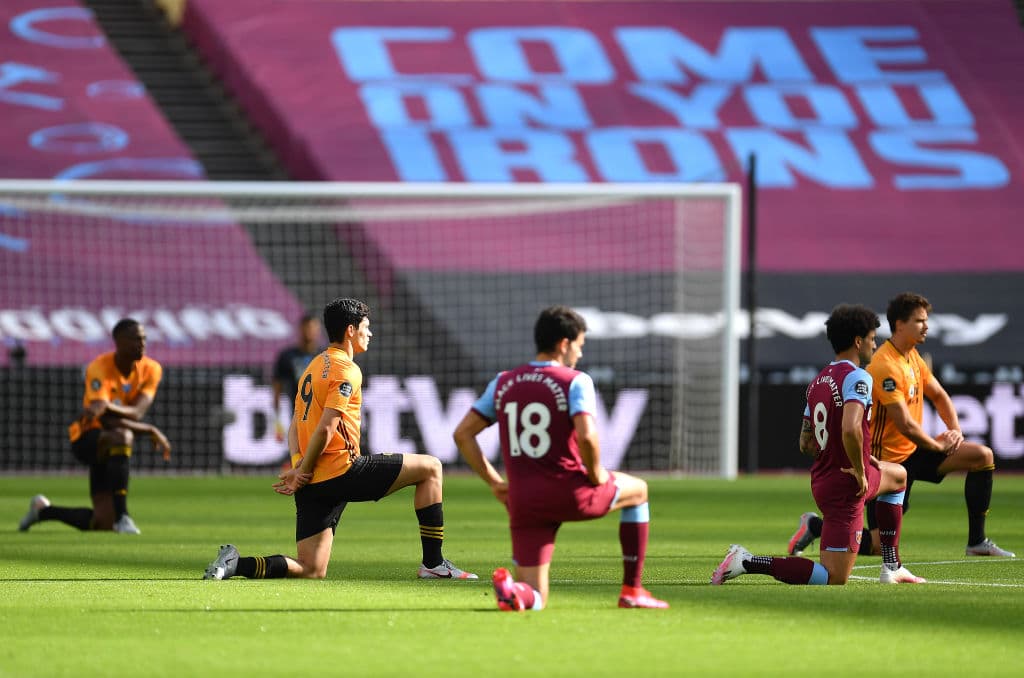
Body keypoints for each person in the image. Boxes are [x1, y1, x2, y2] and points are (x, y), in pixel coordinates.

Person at [204, 297, 476, 580]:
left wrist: (299, 467)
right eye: (365, 327)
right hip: (343, 470)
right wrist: (304, 470)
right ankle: (433, 563)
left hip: (314, 482)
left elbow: (296, 424)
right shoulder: (346, 369)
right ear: (350, 330)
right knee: (431, 468)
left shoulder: (311, 367)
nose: (369, 334)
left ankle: (235, 564)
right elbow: (326, 428)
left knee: (311, 569)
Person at [453, 305, 668, 610]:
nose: (579, 354)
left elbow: (462, 434)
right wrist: (596, 475)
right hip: (570, 492)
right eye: (579, 346)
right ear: (564, 344)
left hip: (523, 501)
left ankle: (515, 592)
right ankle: (632, 589)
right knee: (639, 491)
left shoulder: (503, 382)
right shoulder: (575, 381)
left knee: (536, 596)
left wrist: (495, 483)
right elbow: (587, 436)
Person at [786, 293, 1015, 559]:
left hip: (915, 450)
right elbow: (904, 424)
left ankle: (977, 542)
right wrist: (938, 444)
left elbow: (939, 396)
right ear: (900, 324)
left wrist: (956, 434)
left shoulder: (913, 358)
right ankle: (816, 526)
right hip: (889, 459)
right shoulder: (883, 366)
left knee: (981, 456)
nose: (926, 326)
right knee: (872, 546)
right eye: (919, 321)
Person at [712, 304, 924, 586]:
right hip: (847, 485)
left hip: (824, 479)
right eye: (873, 338)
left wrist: (858, 457)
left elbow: (805, 442)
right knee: (834, 577)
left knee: (898, 476)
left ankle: (892, 565)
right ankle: (747, 562)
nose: (875, 345)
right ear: (858, 341)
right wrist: (859, 470)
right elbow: (850, 428)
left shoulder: (818, 382)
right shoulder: (858, 377)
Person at [18, 318, 171, 535]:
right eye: (135, 339)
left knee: (101, 523)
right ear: (118, 341)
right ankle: (123, 517)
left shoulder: (152, 369)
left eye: (144, 338)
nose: (142, 344)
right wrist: (148, 429)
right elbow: (105, 421)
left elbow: (137, 412)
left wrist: (107, 406)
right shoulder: (99, 367)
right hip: (86, 437)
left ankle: (42, 511)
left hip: (111, 445)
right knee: (122, 436)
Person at [271, 313, 323, 448]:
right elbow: (277, 388)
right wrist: (277, 421)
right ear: (301, 329)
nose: (310, 331)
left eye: (313, 328)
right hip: (298, 414)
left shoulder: (325, 356)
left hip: (323, 414)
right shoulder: (287, 356)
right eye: (307, 328)